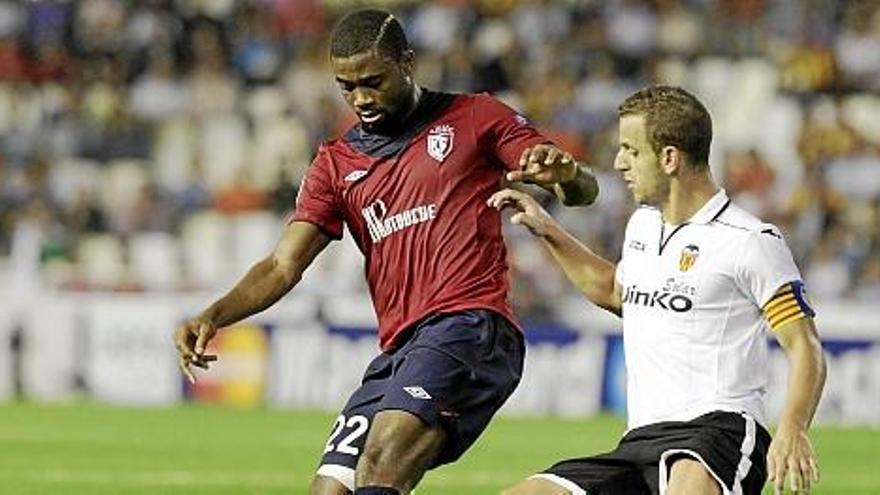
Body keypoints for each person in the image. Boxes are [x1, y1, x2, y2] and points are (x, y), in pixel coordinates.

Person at [172, 9, 598, 495]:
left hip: (469, 326)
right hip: (400, 349)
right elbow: (281, 264)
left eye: (373, 82)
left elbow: (580, 189)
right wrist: (215, 314)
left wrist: (566, 176)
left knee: (382, 461)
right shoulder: (336, 165)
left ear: (408, 62)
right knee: (329, 489)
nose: (362, 99)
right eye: (347, 87)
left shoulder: (476, 117)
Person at [492, 86, 826, 495]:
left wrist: (793, 427)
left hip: (718, 435)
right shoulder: (643, 226)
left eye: (630, 150)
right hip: (640, 442)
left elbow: (804, 345)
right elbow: (615, 292)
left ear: (669, 158)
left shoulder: (750, 240)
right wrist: (548, 230)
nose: (618, 162)